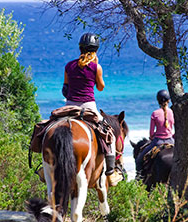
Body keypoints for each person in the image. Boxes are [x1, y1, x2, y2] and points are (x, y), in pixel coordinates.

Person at [62, 32, 123, 186]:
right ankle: (110, 172)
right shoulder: (97, 67)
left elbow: (65, 89)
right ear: (96, 50)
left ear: (80, 48)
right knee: (109, 134)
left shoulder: (69, 66)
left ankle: (44, 167)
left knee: (52, 126)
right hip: (89, 106)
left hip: (69, 105)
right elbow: (101, 88)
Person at [135, 89, 175, 180]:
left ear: (158, 101)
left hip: (158, 142)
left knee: (139, 160)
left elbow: (151, 133)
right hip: (171, 140)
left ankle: (139, 179)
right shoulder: (172, 112)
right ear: (169, 100)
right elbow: (177, 128)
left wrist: (152, 137)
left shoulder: (155, 113)